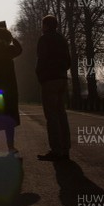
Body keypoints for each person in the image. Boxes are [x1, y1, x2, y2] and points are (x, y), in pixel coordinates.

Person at [36, 14, 71, 161]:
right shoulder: (62, 39)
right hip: (62, 79)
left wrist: (40, 76)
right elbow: (68, 61)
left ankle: (55, 150)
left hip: (49, 80)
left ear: (46, 26)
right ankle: (65, 148)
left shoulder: (44, 39)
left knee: (51, 116)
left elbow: (41, 59)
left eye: (43, 24)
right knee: (61, 113)